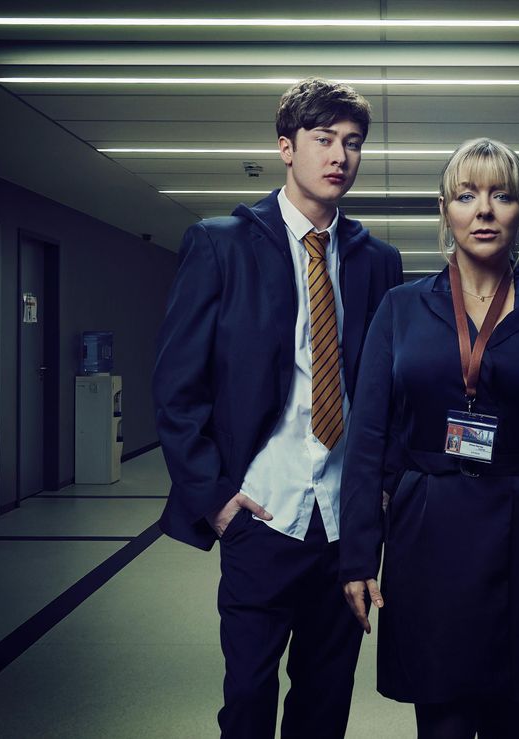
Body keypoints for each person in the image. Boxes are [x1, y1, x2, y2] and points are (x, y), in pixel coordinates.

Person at [153, 77, 403, 739]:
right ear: (286, 146)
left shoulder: (378, 261)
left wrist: (379, 493)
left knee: (324, 706)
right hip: (260, 516)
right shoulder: (222, 244)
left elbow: (388, 394)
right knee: (249, 701)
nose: (340, 156)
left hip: (345, 526)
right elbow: (177, 389)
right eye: (324, 139)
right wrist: (216, 498)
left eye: (352, 143)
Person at [339, 138, 519, 738]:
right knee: (442, 722)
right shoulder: (400, 309)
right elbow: (366, 440)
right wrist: (358, 553)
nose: (483, 210)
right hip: (429, 526)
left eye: (500, 195)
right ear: (445, 210)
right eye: (467, 195)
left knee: (513, 720)